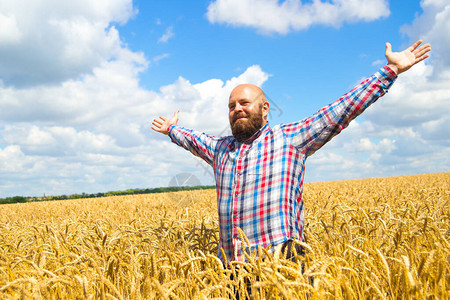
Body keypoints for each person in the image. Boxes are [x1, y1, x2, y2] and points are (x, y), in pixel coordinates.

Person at [151, 40, 431, 265]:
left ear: (264, 109)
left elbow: (339, 111)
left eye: (245, 103)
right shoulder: (220, 149)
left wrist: (389, 72)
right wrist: (171, 130)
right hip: (231, 270)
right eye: (231, 105)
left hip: (282, 266)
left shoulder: (289, 140)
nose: (237, 108)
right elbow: (193, 138)